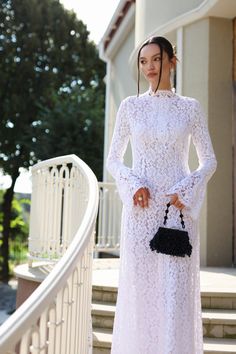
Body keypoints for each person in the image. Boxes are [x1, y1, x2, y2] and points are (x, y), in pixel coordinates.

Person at [106, 36, 217, 354]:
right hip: (140, 213)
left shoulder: (190, 108)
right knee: (141, 295)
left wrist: (188, 188)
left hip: (176, 213)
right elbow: (114, 158)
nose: (149, 67)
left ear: (172, 61)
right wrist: (132, 182)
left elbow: (209, 159)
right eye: (143, 61)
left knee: (173, 296)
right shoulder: (131, 107)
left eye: (156, 59)